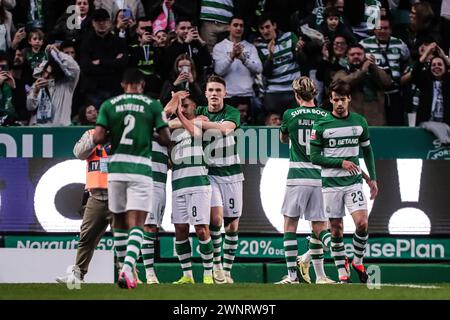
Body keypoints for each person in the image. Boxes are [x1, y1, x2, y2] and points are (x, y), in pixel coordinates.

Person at [93, 68, 171, 289]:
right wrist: (149, 132)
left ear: (122, 84)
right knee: (138, 222)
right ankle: (128, 269)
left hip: (116, 169)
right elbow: (166, 139)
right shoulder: (152, 105)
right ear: (142, 85)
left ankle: (122, 267)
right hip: (140, 169)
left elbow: (98, 137)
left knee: (118, 221)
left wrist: (114, 133)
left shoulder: (109, 105)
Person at [310, 80, 378, 283]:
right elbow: (315, 157)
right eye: (335, 99)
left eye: (342, 99)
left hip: (353, 182)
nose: (339, 103)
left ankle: (357, 260)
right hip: (331, 184)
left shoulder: (359, 122)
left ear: (349, 99)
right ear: (330, 100)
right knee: (337, 229)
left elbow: (367, 150)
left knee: (362, 223)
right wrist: (341, 162)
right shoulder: (321, 124)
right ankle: (342, 273)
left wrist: (372, 178)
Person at [276, 76, 335, 285]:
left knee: (290, 225)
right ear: (315, 94)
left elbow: (283, 138)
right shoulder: (327, 116)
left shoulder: (290, 114)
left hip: (297, 177)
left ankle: (292, 276)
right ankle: (323, 272)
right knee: (319, 227)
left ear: (296, 94)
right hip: (321, 177)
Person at [194, 75, 243, 284]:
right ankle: (216, 267)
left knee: (232, 226)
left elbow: (225, 129)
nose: (214, 94)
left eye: (218, 90)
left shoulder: (232, 112)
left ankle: (228, 270)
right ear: (205, 93)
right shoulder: (199, 112)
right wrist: (198, 121)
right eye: (211, 90)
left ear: (225, 93)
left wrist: (202, 124)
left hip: (231, 174)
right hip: (210, 173)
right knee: (215, 220)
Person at [164, 90, 215, 284]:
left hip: (198, 184)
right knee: (180, 230)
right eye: (181, 105)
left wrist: (178, 114)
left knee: (202, 229)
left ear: (195, 106)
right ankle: (187, 275)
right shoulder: (174, 132)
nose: (183, 108)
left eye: (186, 105)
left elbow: (194, 131)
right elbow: (162, 124)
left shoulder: (202, 122)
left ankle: (208, 274)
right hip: (178, 184)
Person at [56, 128, 112, 284]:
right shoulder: (90, 133)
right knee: (86, 238)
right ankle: (77, 276)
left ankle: (129, 274)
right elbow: (79, 153)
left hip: (119, 195)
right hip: (96, 197)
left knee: (124, 239)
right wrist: (96, 137)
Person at [360, 16, 410, 126]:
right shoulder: (364, 44)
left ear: (390, 30)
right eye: (379, 28)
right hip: (375, 94)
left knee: (397, 127)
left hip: (395, 94)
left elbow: (407, 60)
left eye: (386, 28)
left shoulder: (399, 44)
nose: (382, 31)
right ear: (374, 29)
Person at [255, 13, 304, 116]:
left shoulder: (289, 37)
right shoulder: (259, 47)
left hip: (293, 89)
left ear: (274, 26)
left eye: (267, 27)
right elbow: (265, 72)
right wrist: (270, 56)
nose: (265, 31)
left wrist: (299, 51)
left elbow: (303, 62)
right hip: (274, 91)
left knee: (295, 124)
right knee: (274, 123)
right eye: (261, 28)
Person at [333, 44, 392, 126]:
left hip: (376, 121)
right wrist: (362, 72)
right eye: (352, 54)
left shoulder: (374, 72)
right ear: (347, 57)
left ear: (365, 56)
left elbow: (387, 82)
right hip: (353, 122)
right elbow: (339, 86)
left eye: (359, 54)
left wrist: (373, 67)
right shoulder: (342, 73)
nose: (356, 56)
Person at [80, 8, 127, 108]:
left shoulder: (118, 41)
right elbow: (86, 67)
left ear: (109, 22)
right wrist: (113, 62)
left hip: (115, 88)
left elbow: (123, 63)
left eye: (104, 20)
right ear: (93, 23)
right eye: (98, 20)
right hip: (94, 90)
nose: (101, 23)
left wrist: (100, 62)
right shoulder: (86, 42)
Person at [212, 16, 262, 109]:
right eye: (235, 25)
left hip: (247, 94)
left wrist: (244, 59)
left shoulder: (250, 47)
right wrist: (231, 56)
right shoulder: (219, 47)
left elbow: (259, 69)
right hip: (228, 95)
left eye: (241, 26)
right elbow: (218, 71)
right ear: (228, 27)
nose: (239, 28)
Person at [26, 44, 80, 126]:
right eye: (45, 72)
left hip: (60, 130)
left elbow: (75, 68)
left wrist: (58, 52)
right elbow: (30, 107)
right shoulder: (37, 84)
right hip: (38, 129)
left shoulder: (67, 84)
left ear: (57, 74)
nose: (46, 76)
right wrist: (35, 92)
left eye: (50, 74)